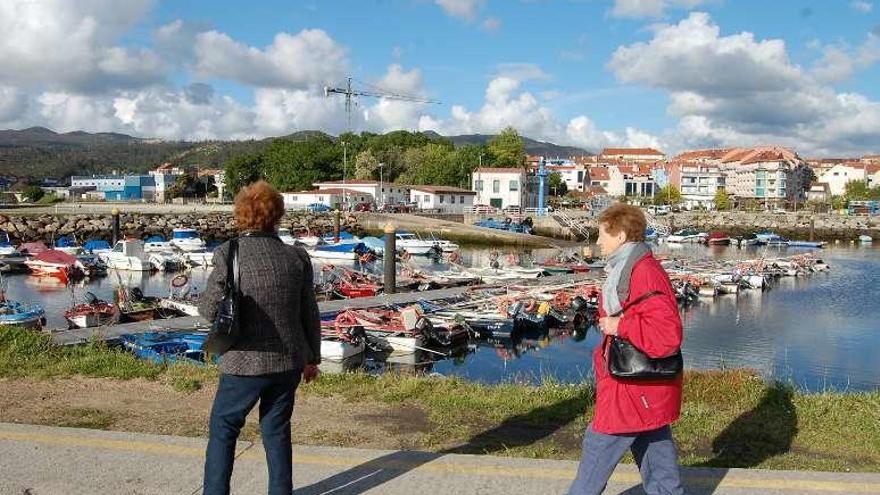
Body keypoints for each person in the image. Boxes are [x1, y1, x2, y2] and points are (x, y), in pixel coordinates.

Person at [199, 180, 322, 495]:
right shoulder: (297, 257)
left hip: (243, 362)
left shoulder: (229, 253)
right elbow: (309, 312)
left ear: (240, 215)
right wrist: (312, 359)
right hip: (288, 363)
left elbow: (208, 310)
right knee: (277, 431)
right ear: (276, 216)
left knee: (224, 430)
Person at [568, 203, 684, 495]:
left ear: (619, 235)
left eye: (601, 234)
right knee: (656, 450)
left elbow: (667, 334)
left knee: (598, 447)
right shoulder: (632, 266)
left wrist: (619, 327)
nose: (597, 241)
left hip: (630, 387)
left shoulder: (642, 272)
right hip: (645, 385)